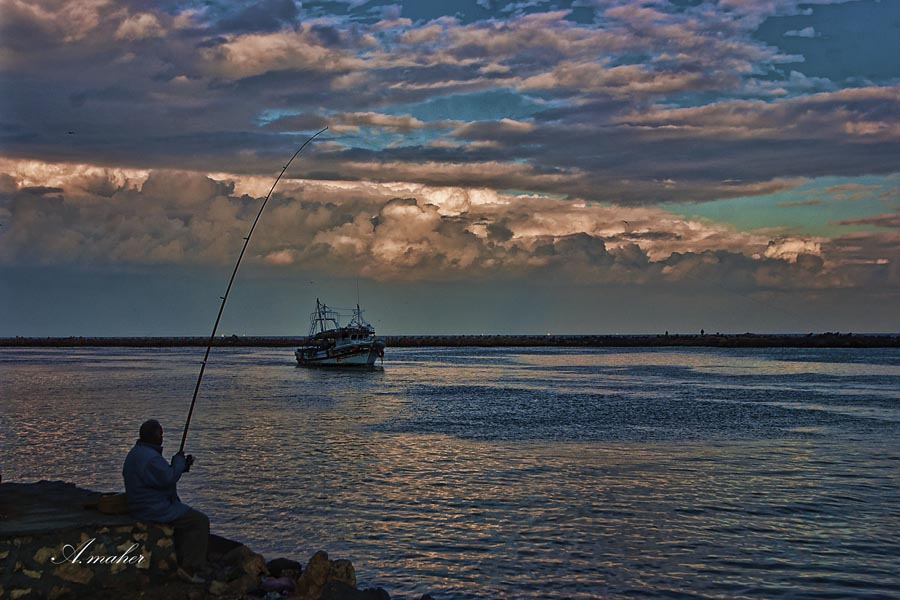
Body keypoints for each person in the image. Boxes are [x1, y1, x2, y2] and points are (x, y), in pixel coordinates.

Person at [122, 419, 209, 584]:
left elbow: (160, 476)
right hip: (153, 509)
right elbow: (168, 478)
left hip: (143, 504)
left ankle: (181, 560)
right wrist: (177, 462)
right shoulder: (150, 459)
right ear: (153, 435)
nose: (162, 436)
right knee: (199, 521)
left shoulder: (137, 453)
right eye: (160, 433)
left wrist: (182, 466)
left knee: (186, 516)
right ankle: (190, 568)